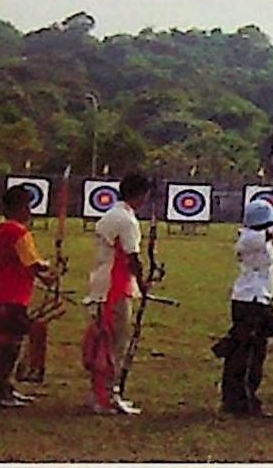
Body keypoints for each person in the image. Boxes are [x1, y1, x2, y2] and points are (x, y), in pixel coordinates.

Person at [0, 185, 55, 409]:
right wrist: (48, 270)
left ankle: (1, 388)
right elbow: (33, 263)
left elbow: (16, 259)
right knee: (7, 344)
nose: (29, 211)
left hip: (0, 292)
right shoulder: (18, 232)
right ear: (18, 208)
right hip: (11, 296)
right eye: (27, 206)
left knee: (1, 342)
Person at [82, 174, 152, 415]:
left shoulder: (113, 213)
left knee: (104, 342)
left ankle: (100, 394)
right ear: (141, 194)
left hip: (104, 284)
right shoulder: (126, 220)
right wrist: (142, 283)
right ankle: (105, 397)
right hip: (114, 288)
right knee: (113, 344)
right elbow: (132, 257)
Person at [218, 199, 273, 417]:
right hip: (251, 302)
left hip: (256, 299)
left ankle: (241, 399)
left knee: (252, 351)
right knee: (247, 354)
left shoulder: (255, 237)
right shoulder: (252, 238)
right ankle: (240, 401)